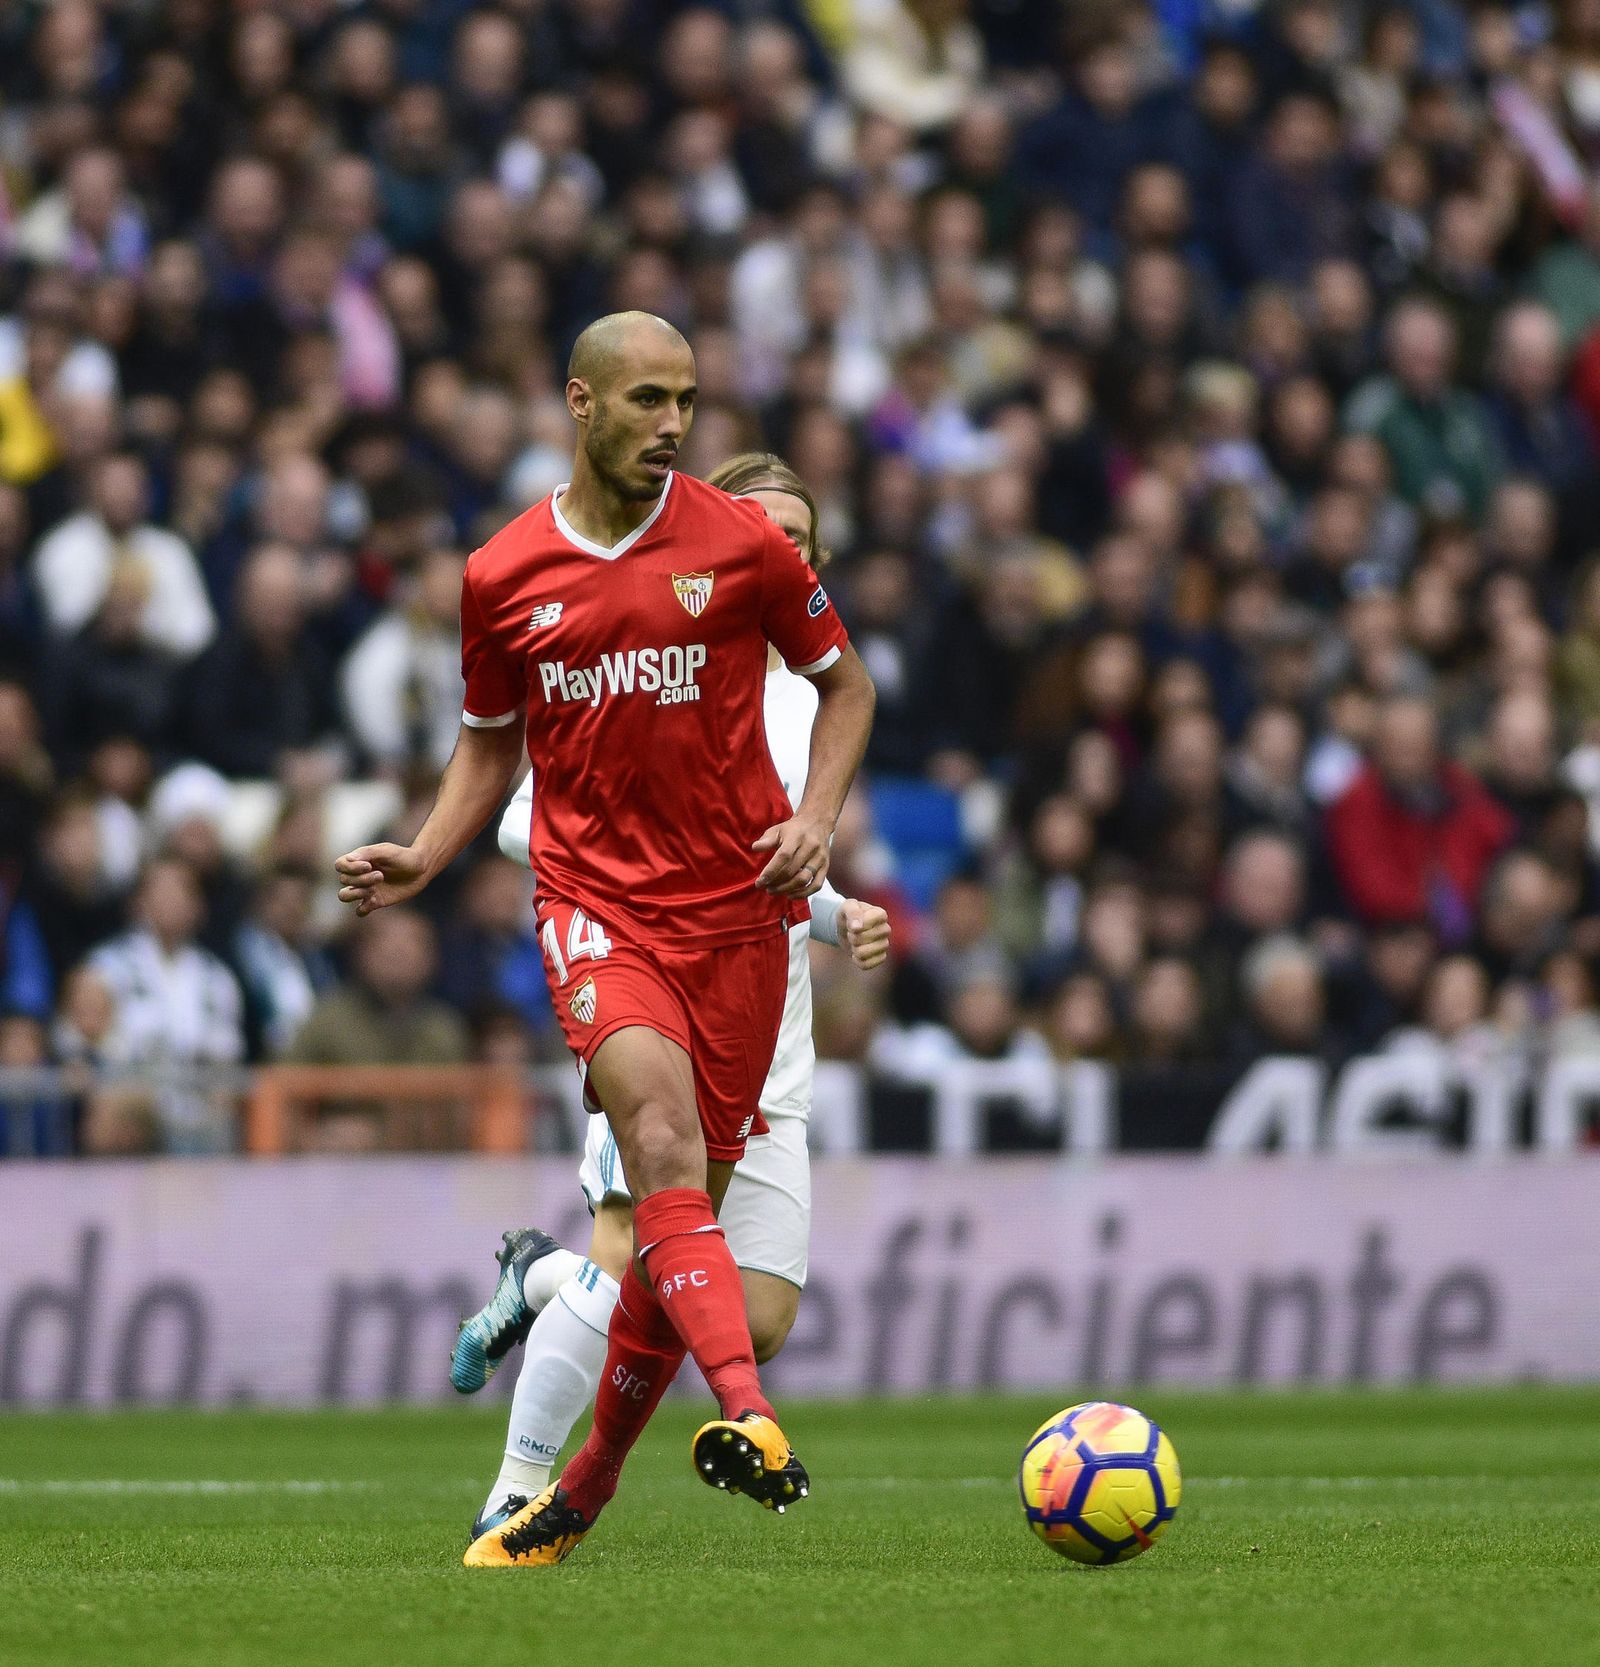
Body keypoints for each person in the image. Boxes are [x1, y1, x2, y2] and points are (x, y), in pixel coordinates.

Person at [333, 313, 876, 1566]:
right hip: (597, 907)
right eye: (646, 400)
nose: (672, 423)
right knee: (661, 1140)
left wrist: (813, 819)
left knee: (713, 1275)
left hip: (734, 920)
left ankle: (578, 1489)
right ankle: (751, 1420)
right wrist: (427, 846)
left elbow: (845, 684)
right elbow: (490, 739)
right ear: (579, 403)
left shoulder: (740, 545)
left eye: (686, 399)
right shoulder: (501, 573)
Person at [449, 451, 891, 1546]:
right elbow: (524, 813)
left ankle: (533, 1275)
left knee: (761, 1317)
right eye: (761, 528)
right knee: (624, 1253)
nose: (777, 550)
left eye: (799, 540)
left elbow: (777, 857)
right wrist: (625, 868)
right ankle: (523, 1488)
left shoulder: (803, 702)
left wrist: (836, 910)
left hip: (764, 1016)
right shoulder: (646, 648)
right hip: (646, 979)